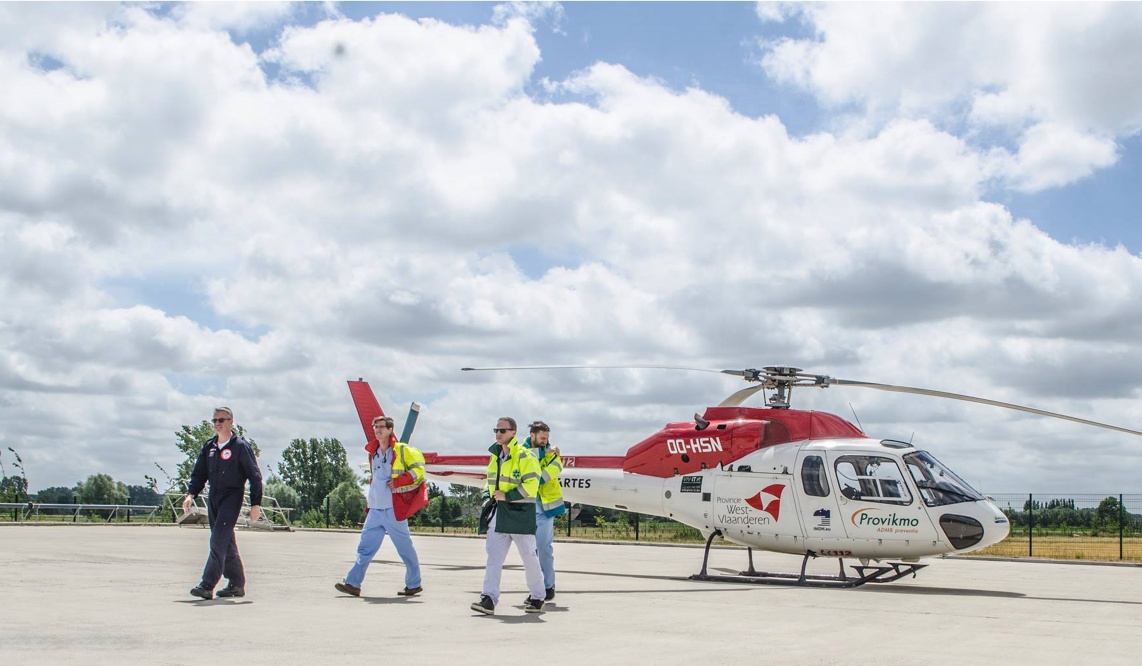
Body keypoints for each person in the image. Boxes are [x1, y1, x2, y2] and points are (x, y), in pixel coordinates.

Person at [335, 415, 424, 598]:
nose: (377, 430)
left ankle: (414, 584)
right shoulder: (373, 453)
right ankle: (353, 583)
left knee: (405, 548)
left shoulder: (402, 450)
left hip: (394, 509)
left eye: (381, 427)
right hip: (375, 509)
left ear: (391, 429)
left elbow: (419, 471)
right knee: (364, 548)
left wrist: (399, 482)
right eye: (375, 427)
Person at [182, 407, 263, 600]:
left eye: (222, 420)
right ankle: (236, 583)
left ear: (231, 422)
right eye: (215, 420)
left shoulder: (240, 446)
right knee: (226, 542)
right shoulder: (209, 447)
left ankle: (207, 584)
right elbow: (199, 474)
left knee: (218, 540)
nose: (217, 424)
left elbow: (255, 476)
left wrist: (255, 505)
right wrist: (190, 494)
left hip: (232, 497)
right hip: (214, 497)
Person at [470, 417, 545, 615]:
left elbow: (532, 486)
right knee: (494, 557)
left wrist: (507, 496)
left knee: (529, 557)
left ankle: (538, 597)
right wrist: (487, 496)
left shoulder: (525, 456)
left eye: (502, 430)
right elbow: (490, 481)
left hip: (520, 516)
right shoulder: (495, 456)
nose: (498, 433)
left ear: (513, 433)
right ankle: (488, 599)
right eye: (496, 430)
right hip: (499, 514)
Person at [522, 420, 565, 603]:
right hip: (526, 506)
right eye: (542, 438)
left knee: (544, 549)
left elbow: (549, 472)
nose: (545, 441)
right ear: (532, 436)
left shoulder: (553, 455)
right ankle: (537, 588)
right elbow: (523, 463)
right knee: (529, 551)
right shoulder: (522, 452)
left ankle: (548, 586)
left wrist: (545, 454)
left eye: (547, 438)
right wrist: (541, 452)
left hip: (546, 508)